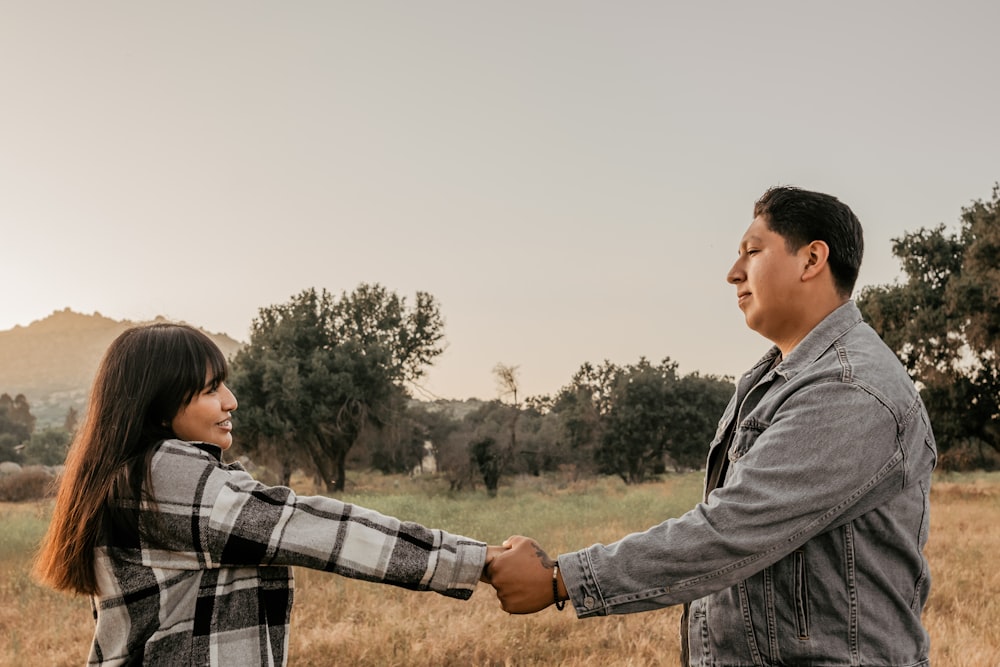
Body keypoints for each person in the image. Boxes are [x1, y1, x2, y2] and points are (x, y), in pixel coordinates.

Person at [487, 186, 937, 666]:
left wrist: (562, 580)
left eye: (752, 251)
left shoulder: (851, 389)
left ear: (811, 259)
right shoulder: (773, 379)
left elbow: (728, 530)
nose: (733, 272)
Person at [33, 322, 502, 666]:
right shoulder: (163, 477)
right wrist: (479, 562)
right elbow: (313, 529)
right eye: (211, 389)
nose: (231, 400)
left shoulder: (123, 478)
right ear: (157, 406)